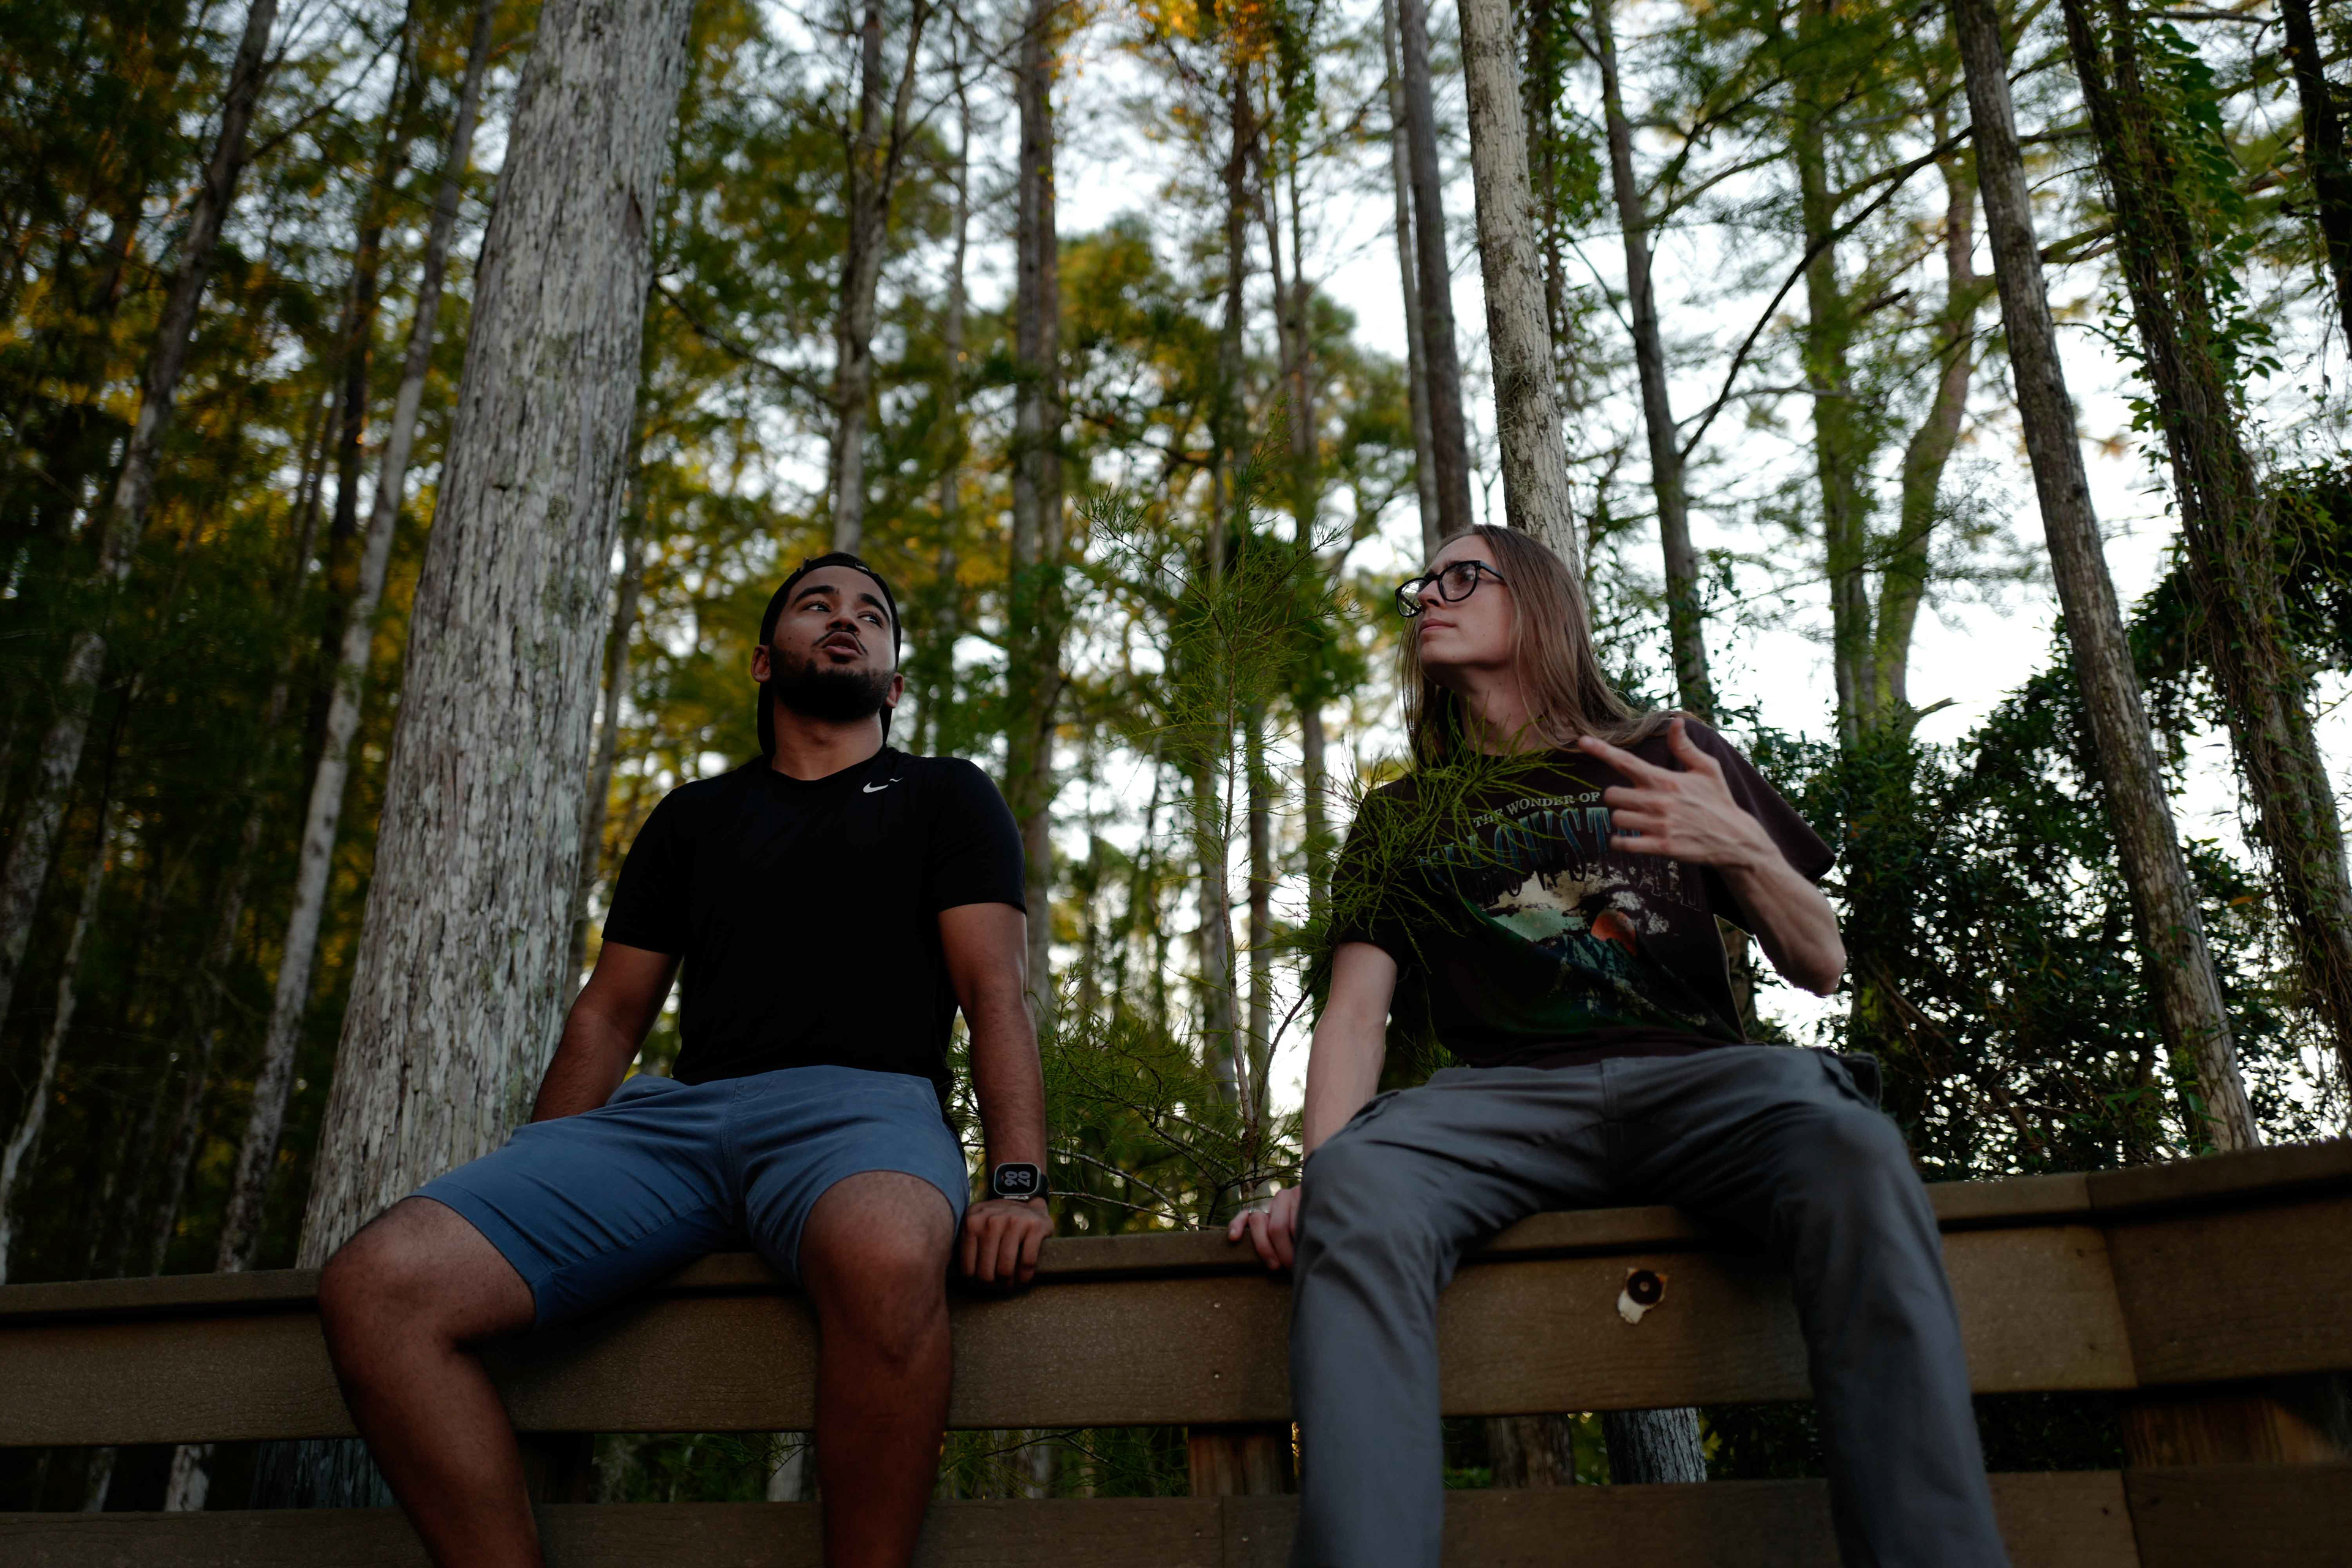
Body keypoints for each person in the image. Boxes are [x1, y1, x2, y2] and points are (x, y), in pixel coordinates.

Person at [1229, 525, 2008, 1567]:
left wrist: (1739, 846)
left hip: (1697, 1082)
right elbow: (1355, 1015)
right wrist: (1320, 1176)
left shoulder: (1669, 749)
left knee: (1853, 1146)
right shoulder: (1402, 814)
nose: (1429, 600)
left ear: (1538, 601)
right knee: (1359, 1180)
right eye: (1422, 586)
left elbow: (1821, 961)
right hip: (1497, 1102)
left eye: (1462, 577)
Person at [317, 554, 1054, 1568]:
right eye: (817, 605)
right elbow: (610, 1014)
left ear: (894, 683)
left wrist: (1017, 1183)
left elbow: (995, 993)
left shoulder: (947, 795)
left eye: (872, 616)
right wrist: (547, 1172)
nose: (846, 619)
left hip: (863, 1113)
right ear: (764, 660)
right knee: (378, 1286)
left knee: (887, 1255)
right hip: (677, 1124)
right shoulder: (693, 817)